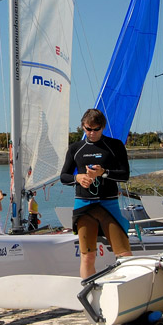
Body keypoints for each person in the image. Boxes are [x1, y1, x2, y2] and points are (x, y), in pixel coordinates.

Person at [59, 108, 132, 279]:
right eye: (87, 129)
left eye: (96, 129)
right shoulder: (75, 148)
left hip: (108, 204)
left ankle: (129, 287)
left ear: (103, 127)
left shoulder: (115, 146)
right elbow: (64, 176)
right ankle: (88, 293)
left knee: (123, 254)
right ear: (83, 127)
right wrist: (78, 178)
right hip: (84, 205)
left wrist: (104, 172)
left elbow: (125, 175)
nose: (91, 133)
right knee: (87, 255)